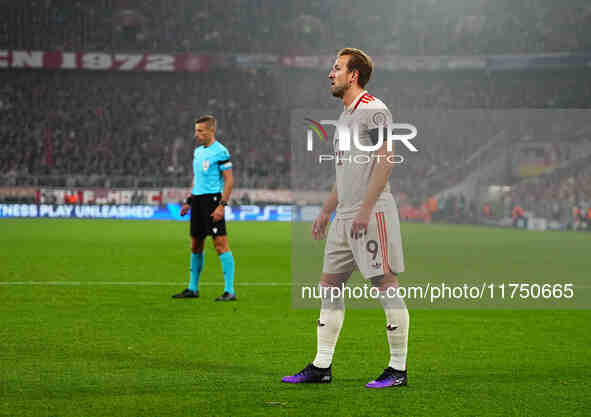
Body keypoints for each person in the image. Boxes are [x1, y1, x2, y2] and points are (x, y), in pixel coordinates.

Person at [282, 48, 409, 388]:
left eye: (336, 68)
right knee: (329, 285)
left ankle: (397, 369)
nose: (330, 73)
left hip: (372, 212)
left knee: (384, 285)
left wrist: (366, 209)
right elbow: (345, 174)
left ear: (353, 75)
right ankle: (322, 366)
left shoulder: (375, 110)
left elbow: (386, 159)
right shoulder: (344, 118)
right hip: (345, 216)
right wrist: (326, 210)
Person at [172, 115, 236, 301]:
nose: (196, 134)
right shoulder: (198, 152)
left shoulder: (221, 152)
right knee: (196, 244)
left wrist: (222, 206)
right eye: (196, 130)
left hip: (213, 201)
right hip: (198, 202)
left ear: (211, 130)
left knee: (220, 244)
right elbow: (198, 180)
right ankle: (193, 288)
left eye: (200, 131)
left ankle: (229, 290)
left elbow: (229, 180)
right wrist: (189, 201)